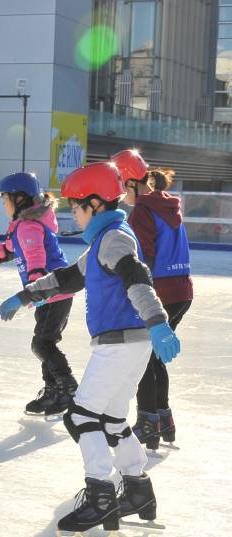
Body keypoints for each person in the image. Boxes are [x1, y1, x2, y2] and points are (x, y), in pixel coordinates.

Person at [0, 162, 181, 534]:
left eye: (76, 208)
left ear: (95, 205)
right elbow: (69, 277)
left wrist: (159, 321)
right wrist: (25, 295)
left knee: (80, 416)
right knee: (112, 421)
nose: (73, 216)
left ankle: (100, 496)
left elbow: (137, 278)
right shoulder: (108, 237)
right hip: (132, 344)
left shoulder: (114, 238)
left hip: (118, 343)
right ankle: (138, 490)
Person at [0, 172, 77, 415]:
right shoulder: (23, 227)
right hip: (48, 295)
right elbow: (5, 251)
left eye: (5, 198)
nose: (3, 203)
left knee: (42, 344)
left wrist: (33, 293)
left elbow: (36, 261)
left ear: (20, 199)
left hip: (52, 294)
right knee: (45, 342)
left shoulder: (29, 228)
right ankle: (54, 392)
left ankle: (68, 388)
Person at [114, 149, 193, 450]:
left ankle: (148, 422)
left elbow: (144, 256)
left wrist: (129, 287)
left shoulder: (143, 211)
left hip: (160, 292)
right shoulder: (168, 205)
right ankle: (163, 419)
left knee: (143, 358)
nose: (122, 194)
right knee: (155, 356)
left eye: (122, 186)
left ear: (133, 183)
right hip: (182, 290)